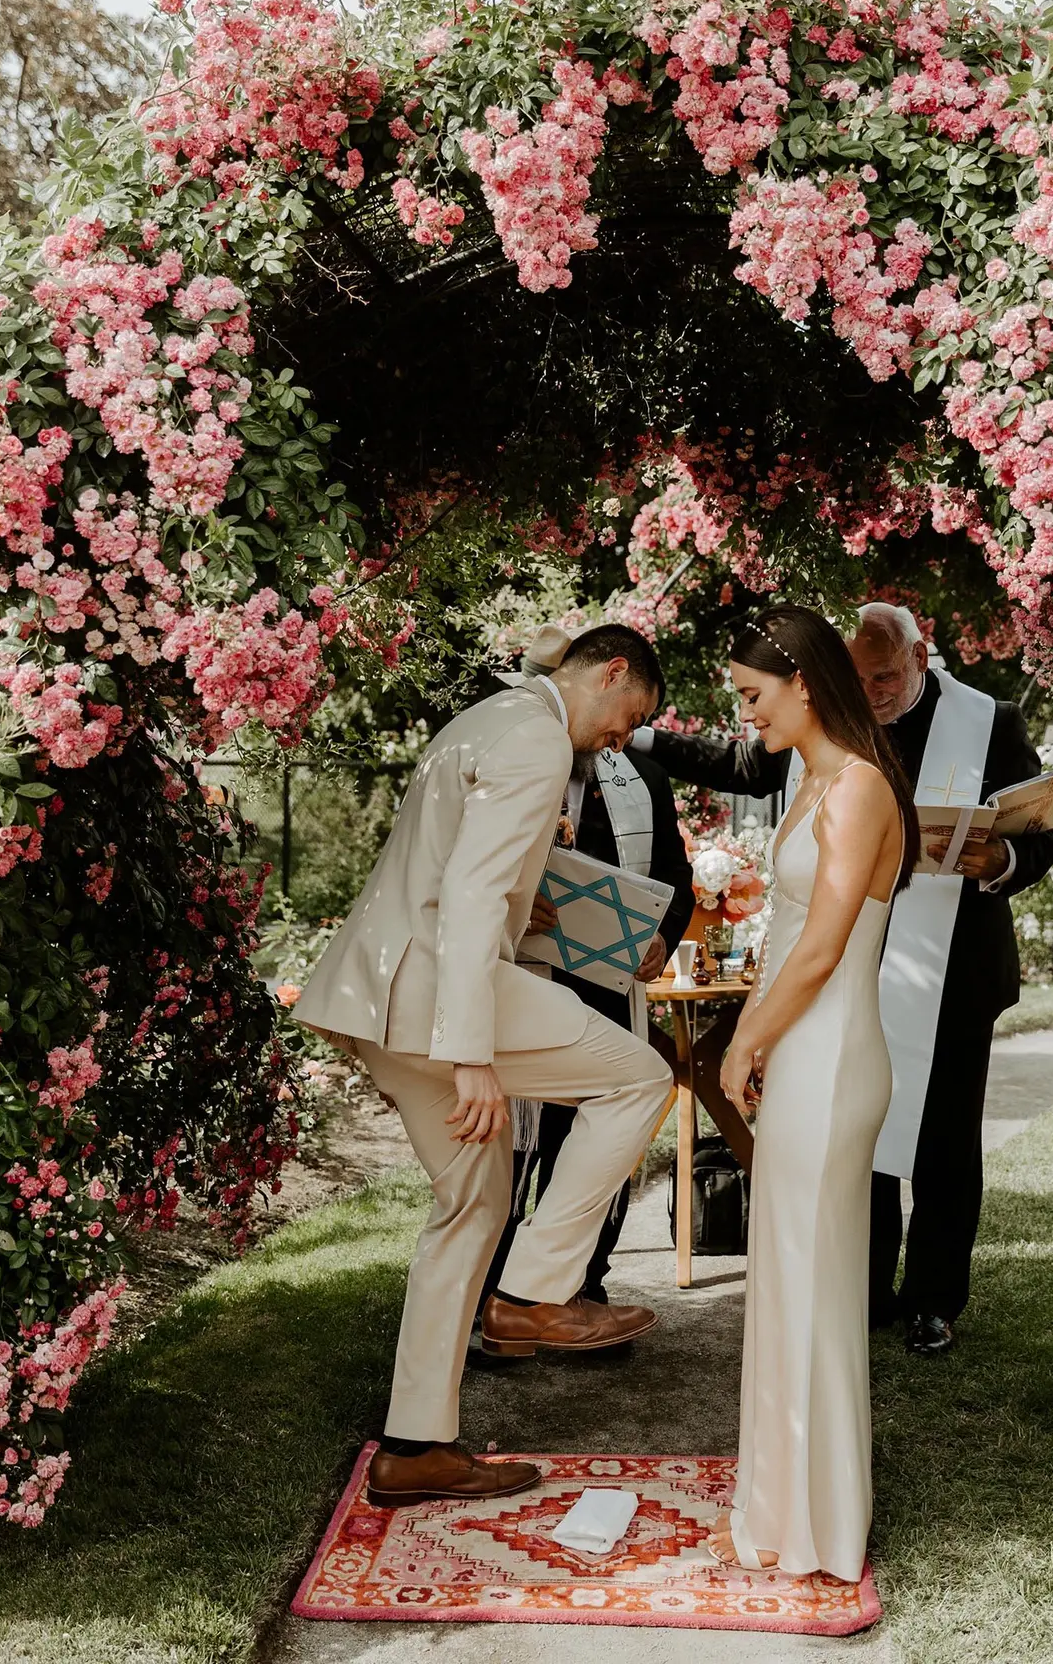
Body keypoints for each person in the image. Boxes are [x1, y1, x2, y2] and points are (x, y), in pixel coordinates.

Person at [296, 624, 673, 1508]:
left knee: (472, 1208)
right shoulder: (540, 739)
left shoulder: (482, 720)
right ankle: (534, 1293)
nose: (623, 737)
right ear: (611, 672)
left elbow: (453, 873)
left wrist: (524, 907)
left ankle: (416, 1446)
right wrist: (470, 1057)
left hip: (383, 1001)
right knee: (641, 1077)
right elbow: (467, 898)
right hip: (442, 999)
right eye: (630, 715)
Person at [636, 602, 1053, 1356]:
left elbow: (1039, 831)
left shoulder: (989, 720)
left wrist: (1001, 860)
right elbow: (742, 766)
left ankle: (934, 1300)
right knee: (857, 1134)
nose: (871, 693)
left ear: (920, 656)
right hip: (859, 966)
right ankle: (862, 1288)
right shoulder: (830, 727)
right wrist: (640, 735)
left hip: (956, 968)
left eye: (885, 677)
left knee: (944, 1142)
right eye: (857, 678)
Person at [705, 605, 918, 1579]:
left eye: (753, 695)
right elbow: (786, 937)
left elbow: (825, 949)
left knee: (813, 1283)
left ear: (802, 682)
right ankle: (782, 1506)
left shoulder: (858, 787)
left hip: (828, 1056)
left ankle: (821, 1526)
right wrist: (755, 1034)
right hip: (799, 1048)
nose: (746, 714)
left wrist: (742, 1042)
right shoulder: (814, 780)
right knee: (786, 1279)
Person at [479, 698, 695, 1315]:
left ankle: (579, 1285)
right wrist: (512, 908)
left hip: (606, 987)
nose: (623, 736)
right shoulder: (513, 763)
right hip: (522, 980)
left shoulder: (644, 779)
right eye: (625, 717)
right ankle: (492, 1292)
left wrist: (663, 938)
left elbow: (675, 878)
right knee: (509, 1150)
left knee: (592, 1144)